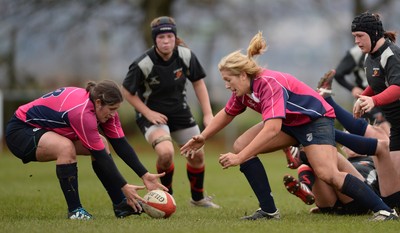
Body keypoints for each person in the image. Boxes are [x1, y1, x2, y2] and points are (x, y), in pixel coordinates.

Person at [180, 31, 398, 221]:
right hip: (291, 123)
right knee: (240, 145)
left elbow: (272, 129)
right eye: (224, 80)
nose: (227, 85)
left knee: (328, 173)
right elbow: (226, 114)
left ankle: (386, 211)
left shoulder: (267, 84)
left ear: (243, 75)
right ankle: (268, 210)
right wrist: (203, 136)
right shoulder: (244, 91)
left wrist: (239, 158)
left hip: (315, 121)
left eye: (229, 80)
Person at [5, 80, 167, 220]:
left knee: (102, 143)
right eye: (111, 109)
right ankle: (75, 211)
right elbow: (100, 157)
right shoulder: (82, 113)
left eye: (116, 109)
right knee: (65, 148)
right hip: (21, 131)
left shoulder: (103, 109)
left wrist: (144, 174)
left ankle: (121, 205)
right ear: (98, 102)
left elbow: (120, 144)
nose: (113, 114)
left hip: (45, 130)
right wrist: (124, 186)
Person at [122, 16, 219, 208]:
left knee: (197, 154)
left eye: (169, 36)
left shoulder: (186, 55)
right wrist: (148, 113)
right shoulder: (143, 63)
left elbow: (198, 82)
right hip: (152, 116)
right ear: (155, 40)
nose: (166, 41)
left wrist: (208, 114)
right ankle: (167, 198)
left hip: (179, 112)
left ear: (175, 37)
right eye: (161, 37)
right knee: (166, 153)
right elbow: (127, 91)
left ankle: (198, 198)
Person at [284, 71, 400, 214]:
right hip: (330, 203)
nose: (351, 138)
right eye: (348, 135)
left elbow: (379, 139)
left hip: (361, 201)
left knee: (316, 152)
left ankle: (303, 147)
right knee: (320, 161)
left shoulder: (372, 159)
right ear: (344, 148)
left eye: (353, 136)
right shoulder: (342, 163)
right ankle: (305, 185)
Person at [351, 12, 400, 173]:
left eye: (360, 36)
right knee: (394, 175)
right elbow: (375, 84)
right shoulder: (370, 57)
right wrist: (363, 98)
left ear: (374, 34)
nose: (356, 41)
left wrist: (374, 101)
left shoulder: (391, 55)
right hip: (396, 125)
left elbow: (397, 87)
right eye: (354, 36)